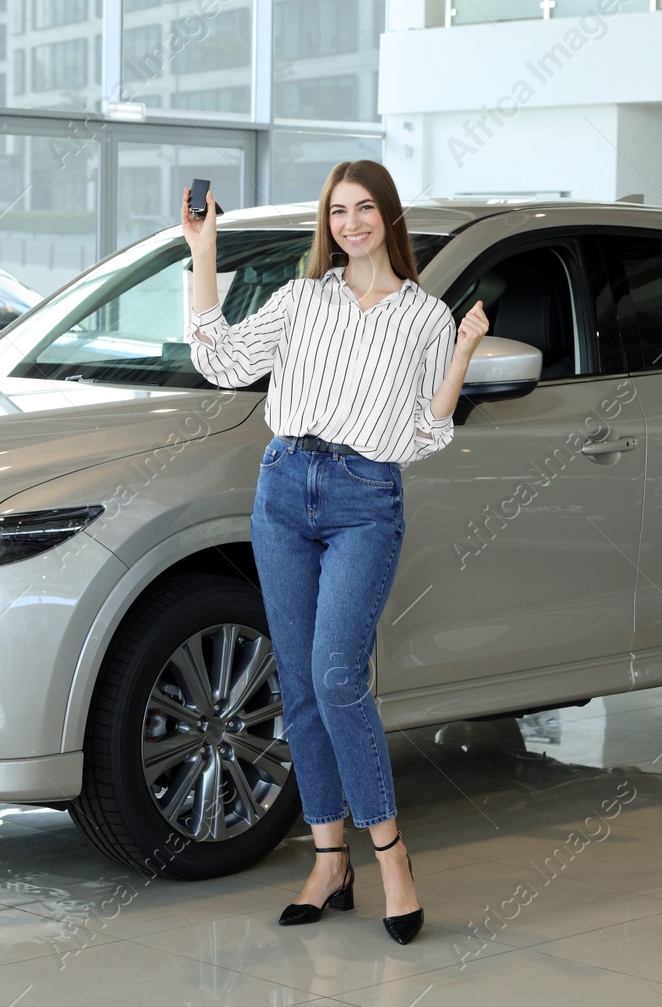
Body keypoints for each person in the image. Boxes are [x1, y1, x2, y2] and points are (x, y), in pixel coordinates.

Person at [182, 160, 488, 945]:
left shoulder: (424, 316)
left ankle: (391, 856)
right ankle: (328, 859)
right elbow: (220, 361)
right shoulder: (302, 298)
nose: (349, 223)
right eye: (337, 211)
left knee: (336, 674)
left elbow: (426, 432)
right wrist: (203, 252)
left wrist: (462, 353)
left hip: (364, 498)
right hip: (283, 485)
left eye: (363, 209)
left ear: (388, 217)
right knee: (300, 682)